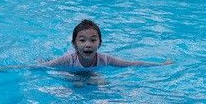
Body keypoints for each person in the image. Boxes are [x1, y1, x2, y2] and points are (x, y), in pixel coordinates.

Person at [43, 19, 172, 69]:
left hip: (90, 76)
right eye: (82, 40)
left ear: (100, 43)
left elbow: (132, 63)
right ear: (74, 44)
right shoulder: (68, 59)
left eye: (93, 40)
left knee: (100, 82)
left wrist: (161, 64)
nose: (88, 44)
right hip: (70, 74)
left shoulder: (105, 59)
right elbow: (44, 67)